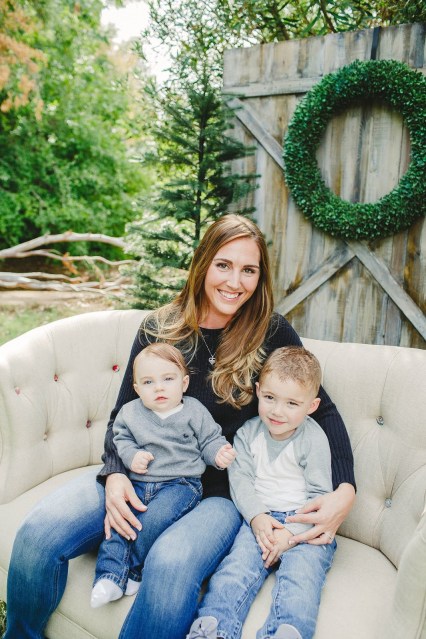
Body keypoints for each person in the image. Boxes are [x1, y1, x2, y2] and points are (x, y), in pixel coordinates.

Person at [5, 214, 355, 639]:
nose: (235, 282)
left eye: (249, 270)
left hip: (217, 495)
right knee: (39, 535)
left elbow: (324, 412)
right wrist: (115, 475)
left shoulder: (271, 333)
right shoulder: (160, 328)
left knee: (170, 567)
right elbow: (123, 414)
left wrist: (345, 491)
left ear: (260, 277)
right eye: (223, 265)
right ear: (203, 263)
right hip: (141, 474)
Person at [188, 346, 337, 639]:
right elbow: (240, 479)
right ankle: (213, 627)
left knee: (301, 577)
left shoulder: (313, 439)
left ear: (312, 406)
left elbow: (321, 496)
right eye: (270, 398)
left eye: (292, 403)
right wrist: (257, 518)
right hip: (260, 519)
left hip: (304, 527)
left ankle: (286, 630)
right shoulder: (247, 433)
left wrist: (291, 535)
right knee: (234, 570)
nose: (277, 411)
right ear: (258, 391)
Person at [91, 342, 236, 608]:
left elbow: (209, 440)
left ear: (184, 383)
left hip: (181, 484)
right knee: (118, 521)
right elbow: (121, 439)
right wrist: (132, 456)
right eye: (148, 382)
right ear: (137, 389)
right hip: (137, 483)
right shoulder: (130, 413)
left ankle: (133, 572)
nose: (159, 388)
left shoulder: (194, 411)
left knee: (152, 520)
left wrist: (218, 454)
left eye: (168, 379)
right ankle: (109, 577)